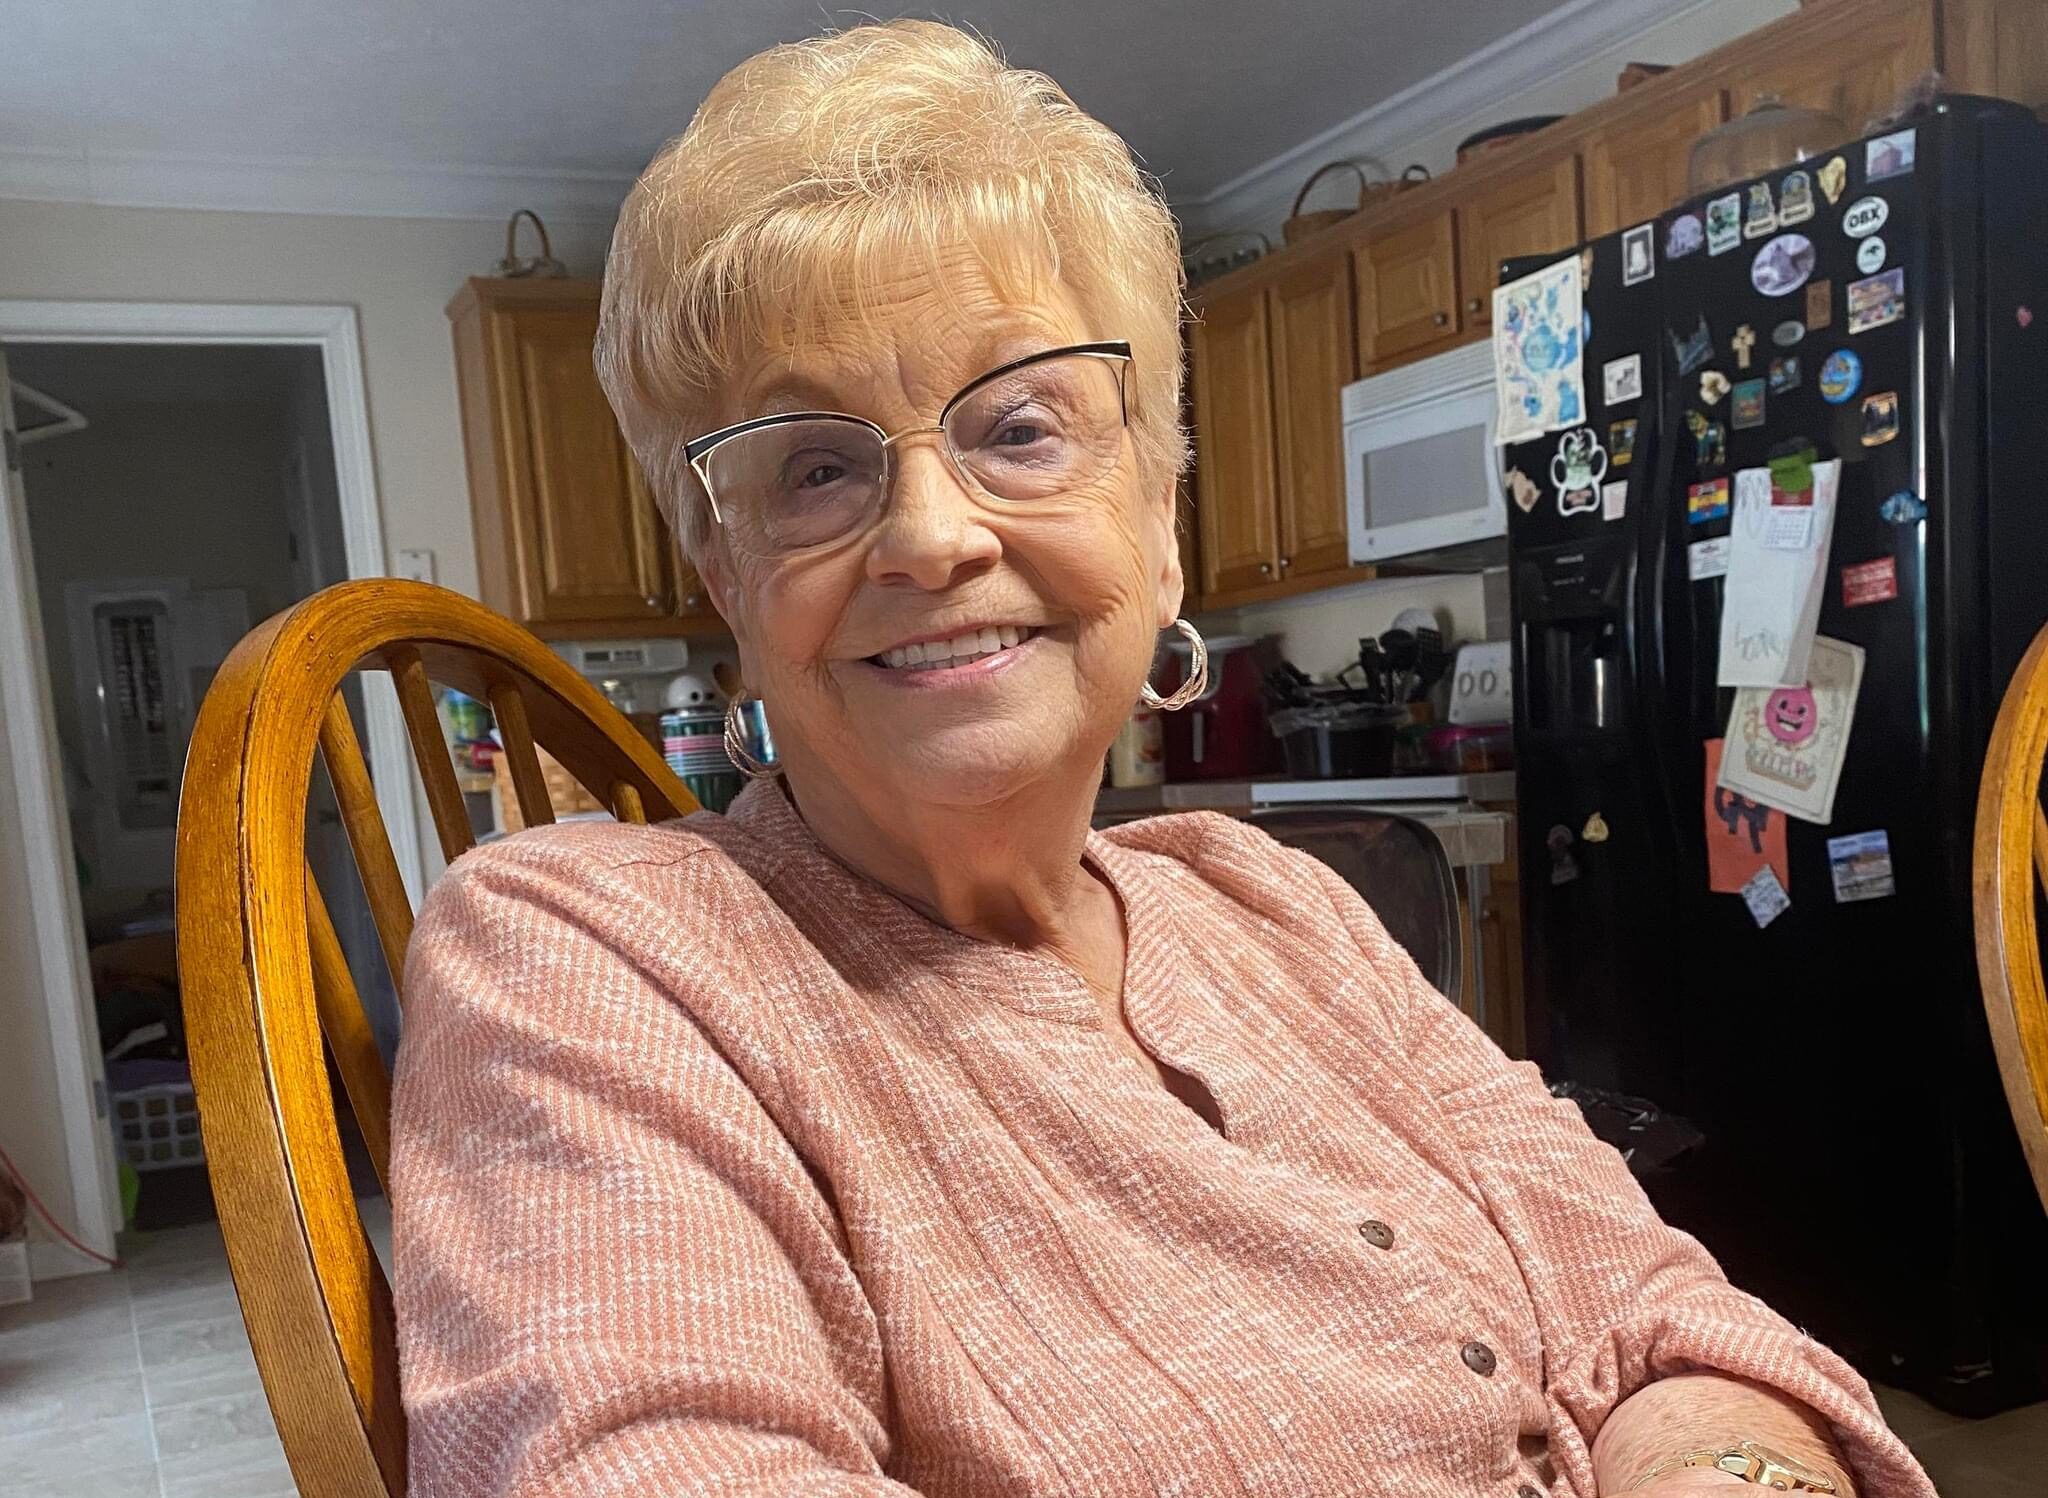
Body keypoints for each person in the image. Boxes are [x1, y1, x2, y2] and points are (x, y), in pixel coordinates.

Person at [391, 20, 1935, 1497]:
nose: (932, 534)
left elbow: (1648, 1292)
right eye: (815, 466)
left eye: (1020, 426)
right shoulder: (591, 960)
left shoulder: (1266, 901)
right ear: (728, 578)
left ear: (1162, 524)